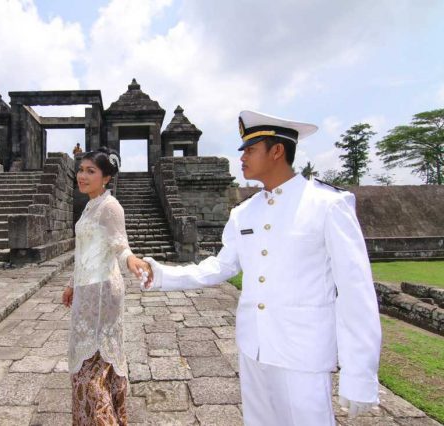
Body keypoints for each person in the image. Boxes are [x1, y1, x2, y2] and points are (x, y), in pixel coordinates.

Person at [141, 110, 382, 426]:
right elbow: (221, 265)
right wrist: (161, 274)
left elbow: (356, 290)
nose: (242, 158)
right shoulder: (244, 212)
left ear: (277, 151)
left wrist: (359, 374)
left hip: (303, 351)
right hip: (254, 346)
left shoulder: (327, 205)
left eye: (251, 150)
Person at [62, 146, 147, 425]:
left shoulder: (110, 206)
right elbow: (84, 251)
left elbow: (119, 243)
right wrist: (72, 283)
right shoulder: (90, 205)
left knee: (94, 368)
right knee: (91, 361)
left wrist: (131, 259)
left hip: (102, 293)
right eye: (81, 170)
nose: (81, 176)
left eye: (90, 171)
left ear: (106, 177)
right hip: (87, 289)